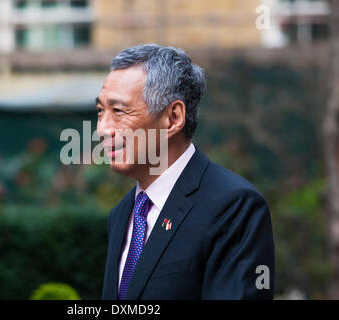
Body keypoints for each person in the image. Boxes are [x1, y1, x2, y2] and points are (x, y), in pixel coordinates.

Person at [97, 44, 274, 300]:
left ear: (173, 117)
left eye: (118, 111)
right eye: (101, 111)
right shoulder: (122, 214)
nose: (103, 128)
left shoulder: (234, 207)